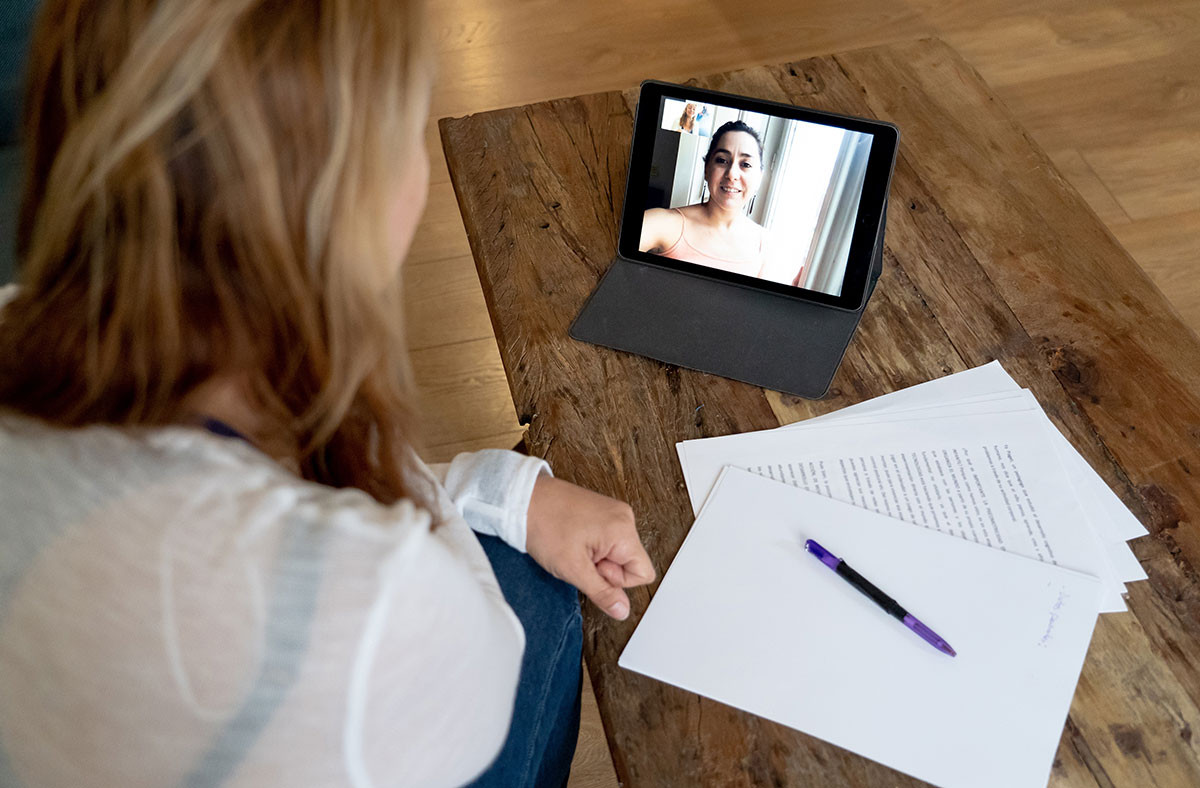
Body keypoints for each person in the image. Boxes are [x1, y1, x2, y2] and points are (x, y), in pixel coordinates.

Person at [0, 1, 655, 787]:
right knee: (543, 605)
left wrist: (503, 495)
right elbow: (475, 660)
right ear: (342, 207)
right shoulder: (362, 608)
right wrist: (487, 492)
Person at [639, 120, 791, 282]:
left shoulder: (766, 245)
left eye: (745, 164)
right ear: (706, 169)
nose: (732, 174)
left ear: (759, 178)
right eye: (722, 160)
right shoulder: (663, 223)